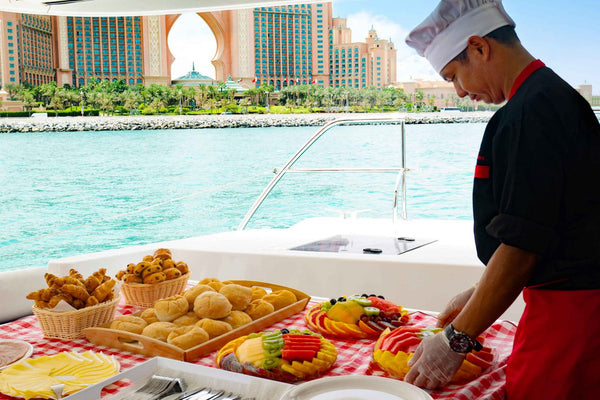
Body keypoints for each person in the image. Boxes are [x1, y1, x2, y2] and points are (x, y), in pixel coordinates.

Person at [403, 1, 600, 399]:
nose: (459, 91)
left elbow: (523, 244)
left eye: (454, 75)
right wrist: (478, 293)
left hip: (572, 318)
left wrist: (455, 340)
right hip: (565, 308)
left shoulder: (532, 112)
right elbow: (549, 220)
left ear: (478, 47)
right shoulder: (550, 98)